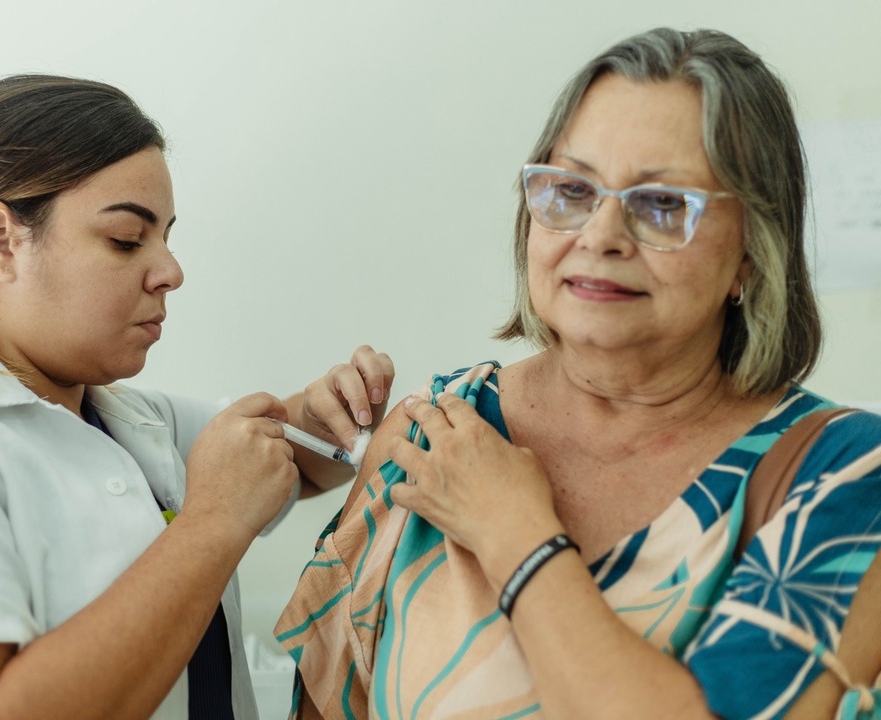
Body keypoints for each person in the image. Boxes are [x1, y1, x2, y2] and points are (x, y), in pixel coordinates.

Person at [275, 27, 881, 719]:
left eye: (662, 204)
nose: (599, 236)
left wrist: (515, 533)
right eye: (570, 188)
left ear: (751, 253)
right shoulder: (437, 432)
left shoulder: (849, 474)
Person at [0, 74, 394, 720]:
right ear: (0, 241)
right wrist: (211, 526)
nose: (171, 270)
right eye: (125, 240)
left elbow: (294, 462)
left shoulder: (132, 420)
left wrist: (326, 415)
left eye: (166, 235)